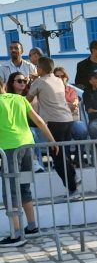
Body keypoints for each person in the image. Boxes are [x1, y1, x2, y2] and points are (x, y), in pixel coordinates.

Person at [0, 83, 58, 247]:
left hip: (9, 149)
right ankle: (32, 226)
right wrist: (52, 140)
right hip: (27, 146)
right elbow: (38, 120)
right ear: (4, 85)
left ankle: (16, 234)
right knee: (24, 187)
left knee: (10, 191)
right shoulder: (20, 99)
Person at [27, 57, 80, 195]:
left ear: (41, 69)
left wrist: (31, 83)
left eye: (37, 67)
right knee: (63, 153)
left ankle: (72, 188)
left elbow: (27, 100)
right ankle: (74, 176)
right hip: (67, 120)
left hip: (54, 122)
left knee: (57, 158)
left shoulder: (39, 82)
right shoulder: (58, 80)